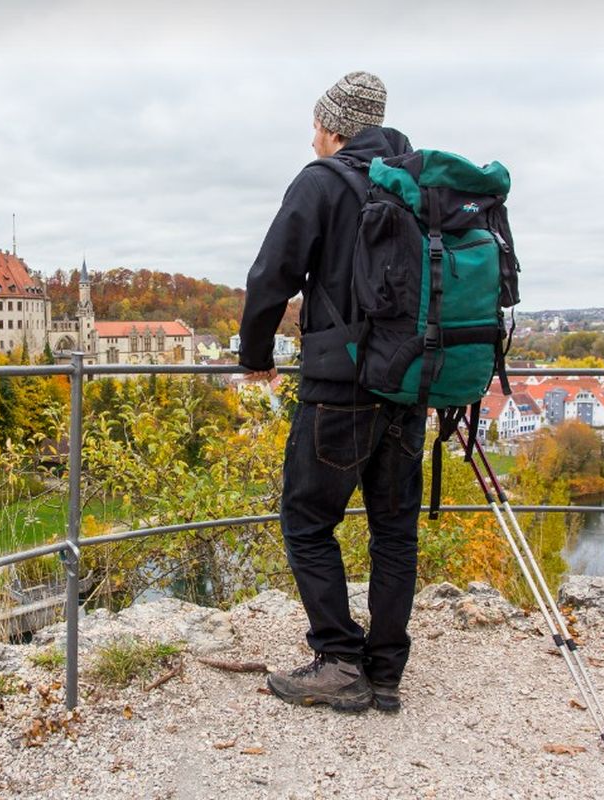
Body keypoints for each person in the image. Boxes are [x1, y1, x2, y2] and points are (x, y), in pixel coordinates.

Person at [238, 71, 425, 713]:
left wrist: (256, 355)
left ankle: (340, 660)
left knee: (307, 518)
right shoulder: (416, 183)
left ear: (335, 127)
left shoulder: (321, 181)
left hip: (340, 387)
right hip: (409, 382)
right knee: (394, 530)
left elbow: (271, 275)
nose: (312, 135)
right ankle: (387, 670)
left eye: (317, 124)